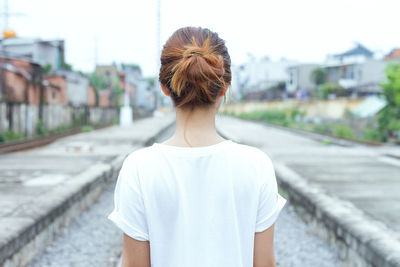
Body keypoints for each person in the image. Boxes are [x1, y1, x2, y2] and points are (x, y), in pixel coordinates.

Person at [108, 26, 287, 267]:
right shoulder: (257, 165)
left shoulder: (138, 168)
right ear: (224, 88)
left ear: (164, 88)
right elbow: (265, 264)